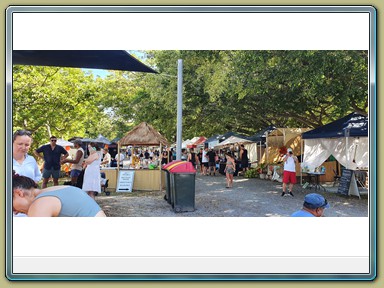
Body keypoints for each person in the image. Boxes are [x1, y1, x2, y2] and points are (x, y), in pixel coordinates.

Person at [12, 171, 106, 217]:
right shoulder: (55, 190)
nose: (15, 212)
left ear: (19, 193)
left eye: (12, 208)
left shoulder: (39, 204)